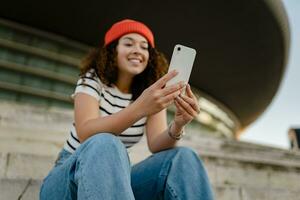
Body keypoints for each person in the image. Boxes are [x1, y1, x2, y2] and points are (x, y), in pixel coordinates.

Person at [40, 19, 214, 200]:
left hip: (112, 183)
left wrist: (178, 125)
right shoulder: (92, 79)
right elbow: (85, 132)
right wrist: (140, 108)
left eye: (144, 46)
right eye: (128, 43)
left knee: (184, 157)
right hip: (67, 178)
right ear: (112, 50)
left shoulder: (149, 91)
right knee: (106, 143)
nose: (137, 50)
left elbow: (156, 144)